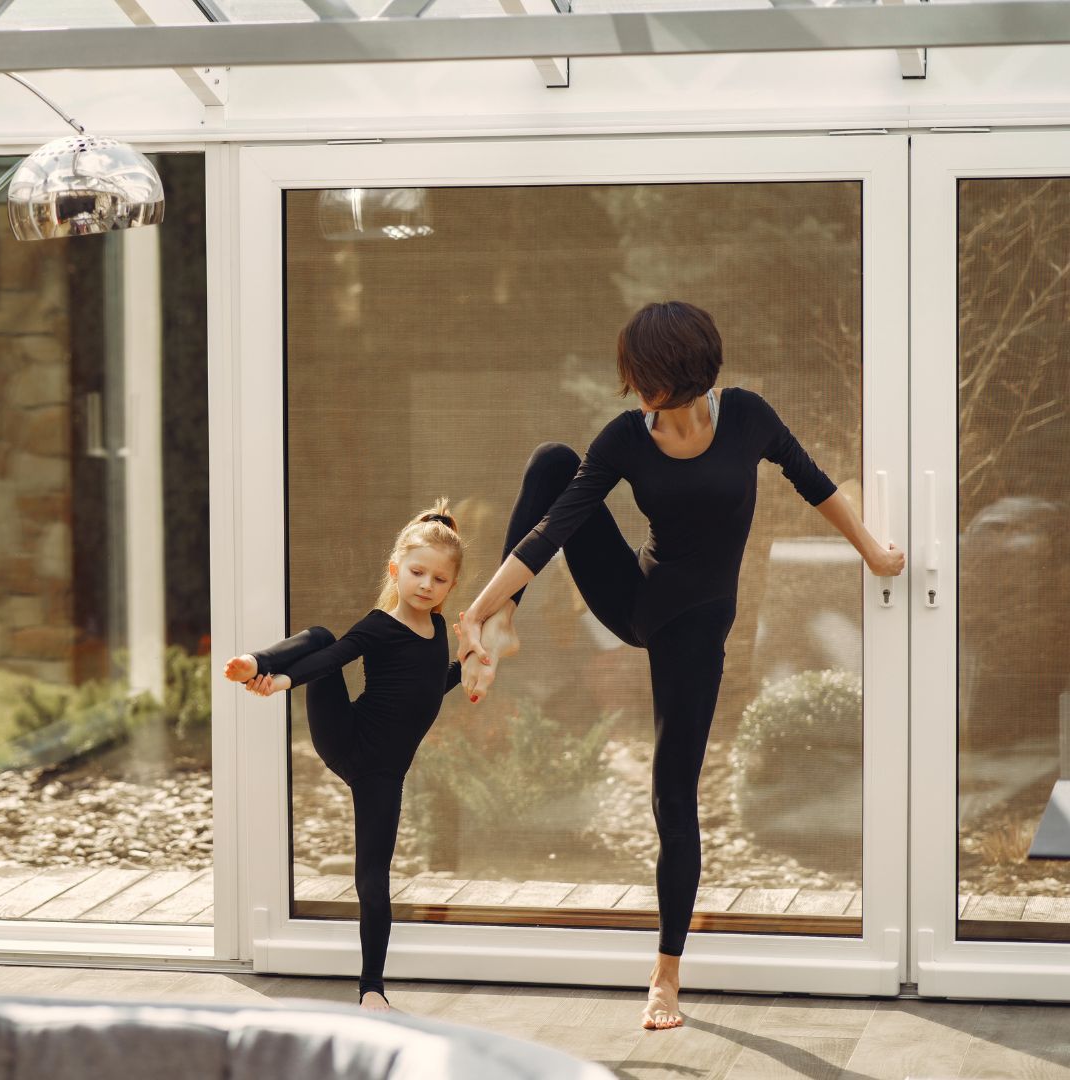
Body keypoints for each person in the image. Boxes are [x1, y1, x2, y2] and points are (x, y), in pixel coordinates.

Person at [454, 301, 905, 1031]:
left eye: (641, 378)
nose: (632, 391)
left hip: (697, 628)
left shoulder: (749, 417)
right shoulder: (626, 439)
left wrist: (874, 552)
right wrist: (476, 610)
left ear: (676, 373)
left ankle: (665, 977)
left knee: (673, 792)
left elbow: (815, 483)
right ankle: (502, 620)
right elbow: (555, 527)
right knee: (550, 462)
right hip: (635, 598)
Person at [224, 500, 466, 1012]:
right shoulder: (380, 625)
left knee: (373, 879)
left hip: (384, 773)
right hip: (347, 736)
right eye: (417, 573)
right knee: (322, 636)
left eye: (439, 580)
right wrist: (280, 680)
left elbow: (423, 690)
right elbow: (334, 658)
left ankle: (371, 991)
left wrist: (465, 668)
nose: (426, 585)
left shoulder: (439, 632)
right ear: (395, 571)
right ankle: (257, 661)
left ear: (450, 586)